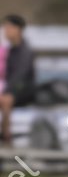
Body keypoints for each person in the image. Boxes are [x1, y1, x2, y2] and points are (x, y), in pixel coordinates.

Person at [0, 15, 36, 144]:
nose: (6, 30)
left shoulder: (25, 51)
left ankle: (6, 137)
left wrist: (7, 91)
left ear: (18, 29)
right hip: (11, 87)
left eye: (9, 27)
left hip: (23, 88)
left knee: (6, 100)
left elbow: (20, 75)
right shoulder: (10, 50)